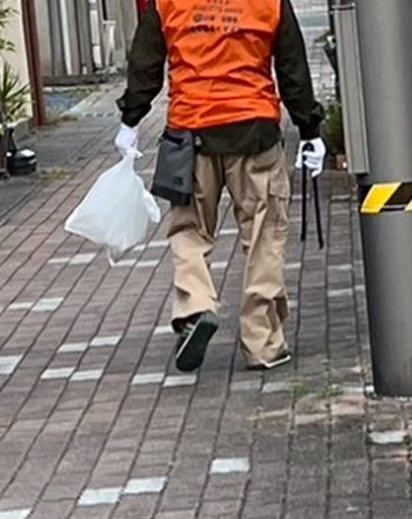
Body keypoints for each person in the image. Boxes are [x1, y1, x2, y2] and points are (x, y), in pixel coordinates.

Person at [117, 0, 325, 373]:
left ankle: (196, 307)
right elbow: (292, 67)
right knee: (264, 235)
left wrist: (131, 119)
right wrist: (309, 128)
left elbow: (146, 62)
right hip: (254, 129)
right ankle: (262, 343)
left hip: (190, 134)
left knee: (189, 231)